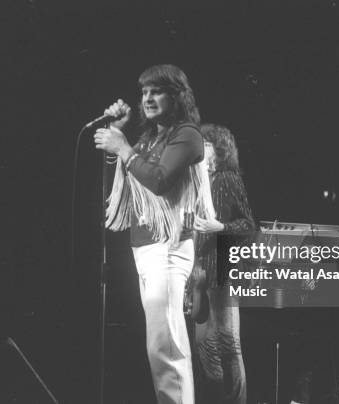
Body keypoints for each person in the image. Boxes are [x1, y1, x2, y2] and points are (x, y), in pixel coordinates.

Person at [93, 64, 215, 404]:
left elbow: (159, 181)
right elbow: (124, 186)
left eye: (156, 91)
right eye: (144, 92)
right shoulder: (149, 139)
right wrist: (117, 138)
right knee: (157, 344)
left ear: (176, 96)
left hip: (169, 248)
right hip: (145, 249)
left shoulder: (187, 135)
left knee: (167, 343)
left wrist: (124, 148)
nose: (147, 98)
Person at [190, 124, 255, 404]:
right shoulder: (196, 182)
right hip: (199, 273)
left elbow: (248, 225)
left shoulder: (227, 179)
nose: (200, 148)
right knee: (205, 345)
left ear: (219, 150)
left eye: (206, 144)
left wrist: (220, 226)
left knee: (228, 343)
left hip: (222, 271)